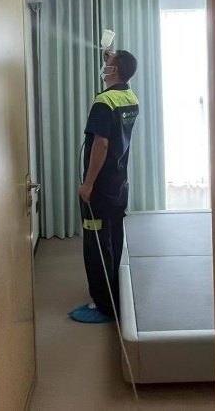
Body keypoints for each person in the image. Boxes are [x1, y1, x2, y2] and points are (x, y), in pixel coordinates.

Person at [69, 48, 140, 324]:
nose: (105, 65)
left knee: (96, 243)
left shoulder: (104, 102)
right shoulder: (129, 97)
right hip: (119, 184)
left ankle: (102, 304)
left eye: (108, 63)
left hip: (99, 187)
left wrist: (88, 184)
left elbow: (101, 144)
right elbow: (123, 77)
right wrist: (115, 59)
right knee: (113, 237)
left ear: (114, 70)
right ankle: (113, 291)